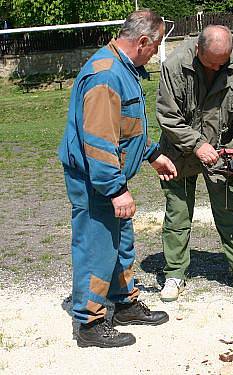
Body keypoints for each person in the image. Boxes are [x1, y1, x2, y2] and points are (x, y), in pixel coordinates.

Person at [58, 9, 177, 348]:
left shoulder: (123, 70)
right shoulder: (106, 75)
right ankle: (90, 323)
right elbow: (98, 141)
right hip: (95, 180)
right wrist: (115, 189)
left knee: (121, 241)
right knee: (97, 246)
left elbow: (125, 128)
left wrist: (152, 153)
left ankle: (123, 302)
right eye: (154, 47)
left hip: (111, 177)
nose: (155, 53)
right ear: (142, 41)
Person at [156, 25, 233, 302]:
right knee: (177, 214)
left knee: (228, 209)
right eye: (211, 62)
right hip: (179, 150)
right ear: (197, 49)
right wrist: (196, 144)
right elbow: (168, 117)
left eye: (223, 62)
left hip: (223, 150)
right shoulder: (173, 65)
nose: (217, 67)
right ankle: (175, 274)